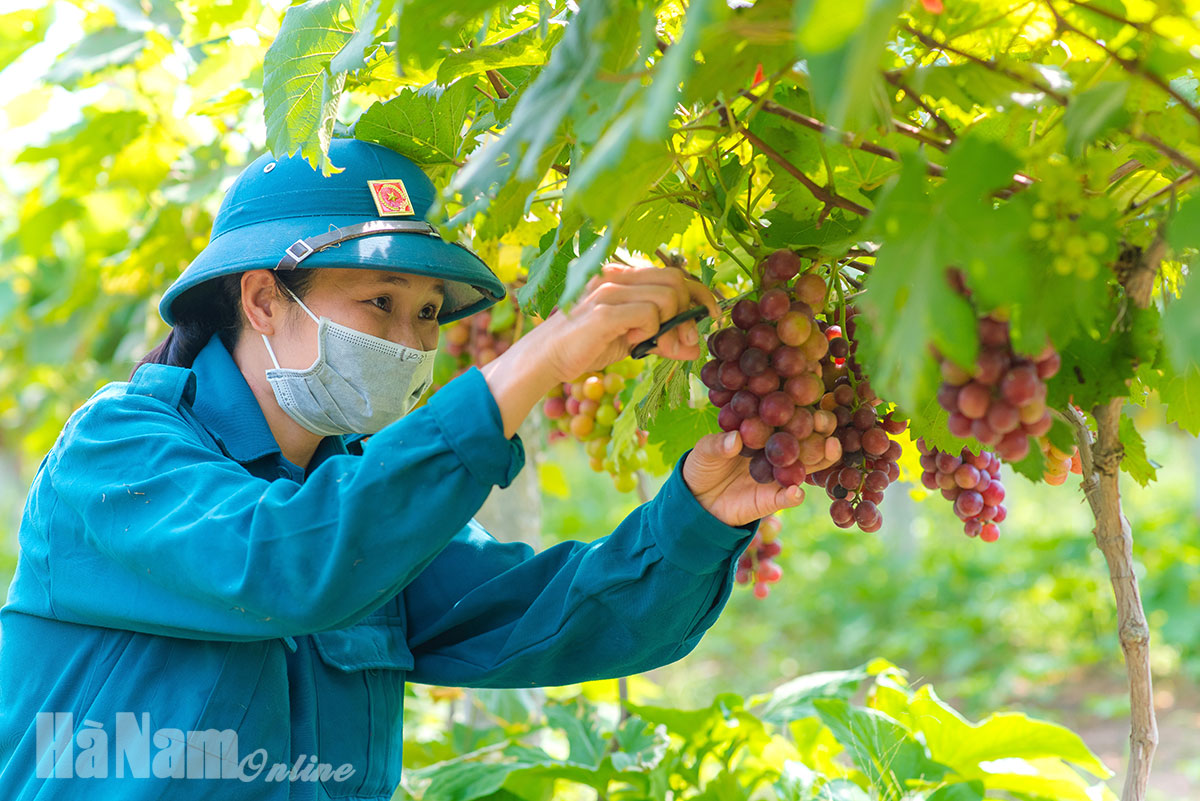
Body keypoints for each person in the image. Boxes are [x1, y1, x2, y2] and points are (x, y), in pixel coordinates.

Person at [0, 137, 806, 799]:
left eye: (426, 313)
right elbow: (286, 563)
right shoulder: (115, 449)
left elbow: (558, 619)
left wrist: (697, 519)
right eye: (380, 302)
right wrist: (531, 367)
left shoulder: (364, 500)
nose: (410, 342)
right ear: (263, 301)